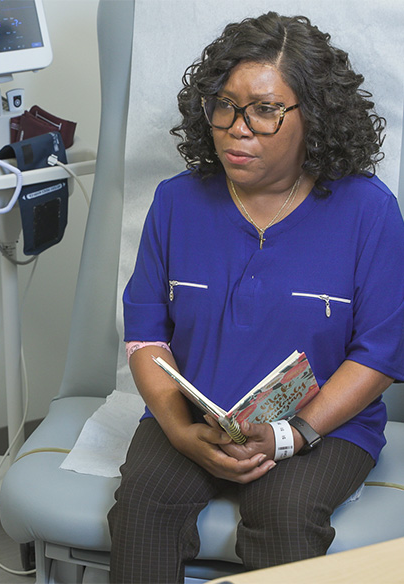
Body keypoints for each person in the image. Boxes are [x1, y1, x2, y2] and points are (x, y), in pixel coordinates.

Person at [108, 12, 404, 583]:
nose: (237, 129)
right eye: (225, 105)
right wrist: (179, 430)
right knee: (143, 506)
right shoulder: (175, 204)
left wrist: (293, 433)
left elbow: (380, 354)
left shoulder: (369, 212)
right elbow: (145, 336)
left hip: (324, 424)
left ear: (314, 115)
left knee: (284, 512)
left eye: (265, 110)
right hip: (197, 416)